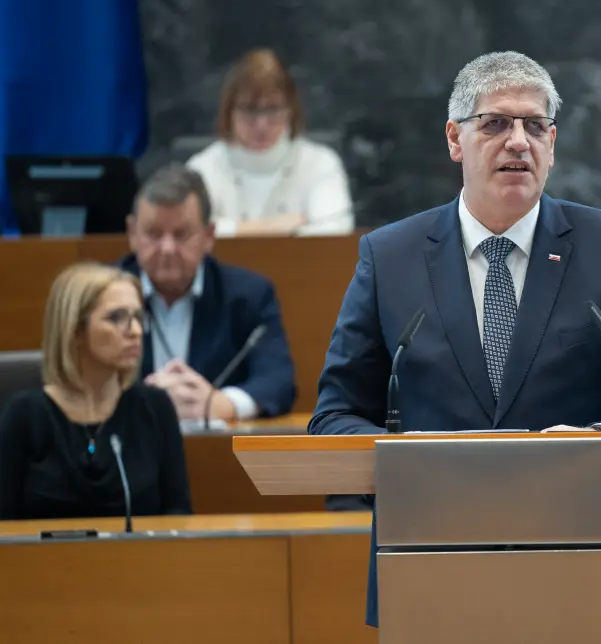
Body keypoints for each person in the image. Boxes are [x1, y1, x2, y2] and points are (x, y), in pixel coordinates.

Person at [309, 50, 601, 644]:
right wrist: (409, 458)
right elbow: (334, 417)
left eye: (534, 126)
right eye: (495, 123)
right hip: (433, 566)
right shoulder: (389, 257)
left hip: (589, 562)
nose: (518, 141)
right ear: (454, 140)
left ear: (552, 141)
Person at [0, 262, 191, 520]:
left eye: (137, 317)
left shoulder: (154, 407)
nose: (134, 331)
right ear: (75, 330)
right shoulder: (25, 416)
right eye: (116, 318)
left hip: (139, 559)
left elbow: (178, 515)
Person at [120, 162, 297, 422]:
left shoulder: (248, 295)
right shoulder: (104, 295)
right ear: (132, 233)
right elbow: (76, 378)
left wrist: (222, 405)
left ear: (208, 236)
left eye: (181, 235)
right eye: (154, 234)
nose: (167, 248)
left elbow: (278, 381)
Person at [187, 48, 355, 237]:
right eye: (249, 110)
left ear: (291, 110)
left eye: (273, 109)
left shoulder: (320, 163)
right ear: (229, 112)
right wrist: (277, 227)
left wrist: (229, 229)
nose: (261, 124)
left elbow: (335, 233)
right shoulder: (202, 169)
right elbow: (189, 233)